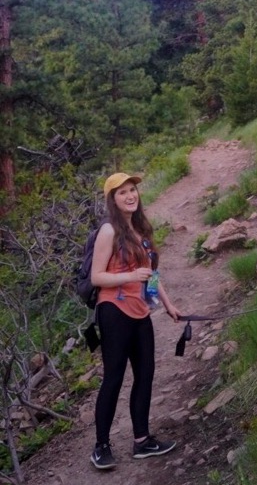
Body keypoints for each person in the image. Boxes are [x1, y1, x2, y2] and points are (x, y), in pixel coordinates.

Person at [89, 172, 182, 470]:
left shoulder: (140, 228)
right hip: (114, 311)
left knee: (145, 375)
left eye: (132, 190)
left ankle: (142, 441)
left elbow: (151, 273)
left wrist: (168, 305)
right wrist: (130, 276)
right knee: (114, 378)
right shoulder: (108, 231)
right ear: (112, 199)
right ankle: (101, 446)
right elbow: (96, 277)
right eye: (122, 192)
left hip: (141, 311)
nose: (130, 196)